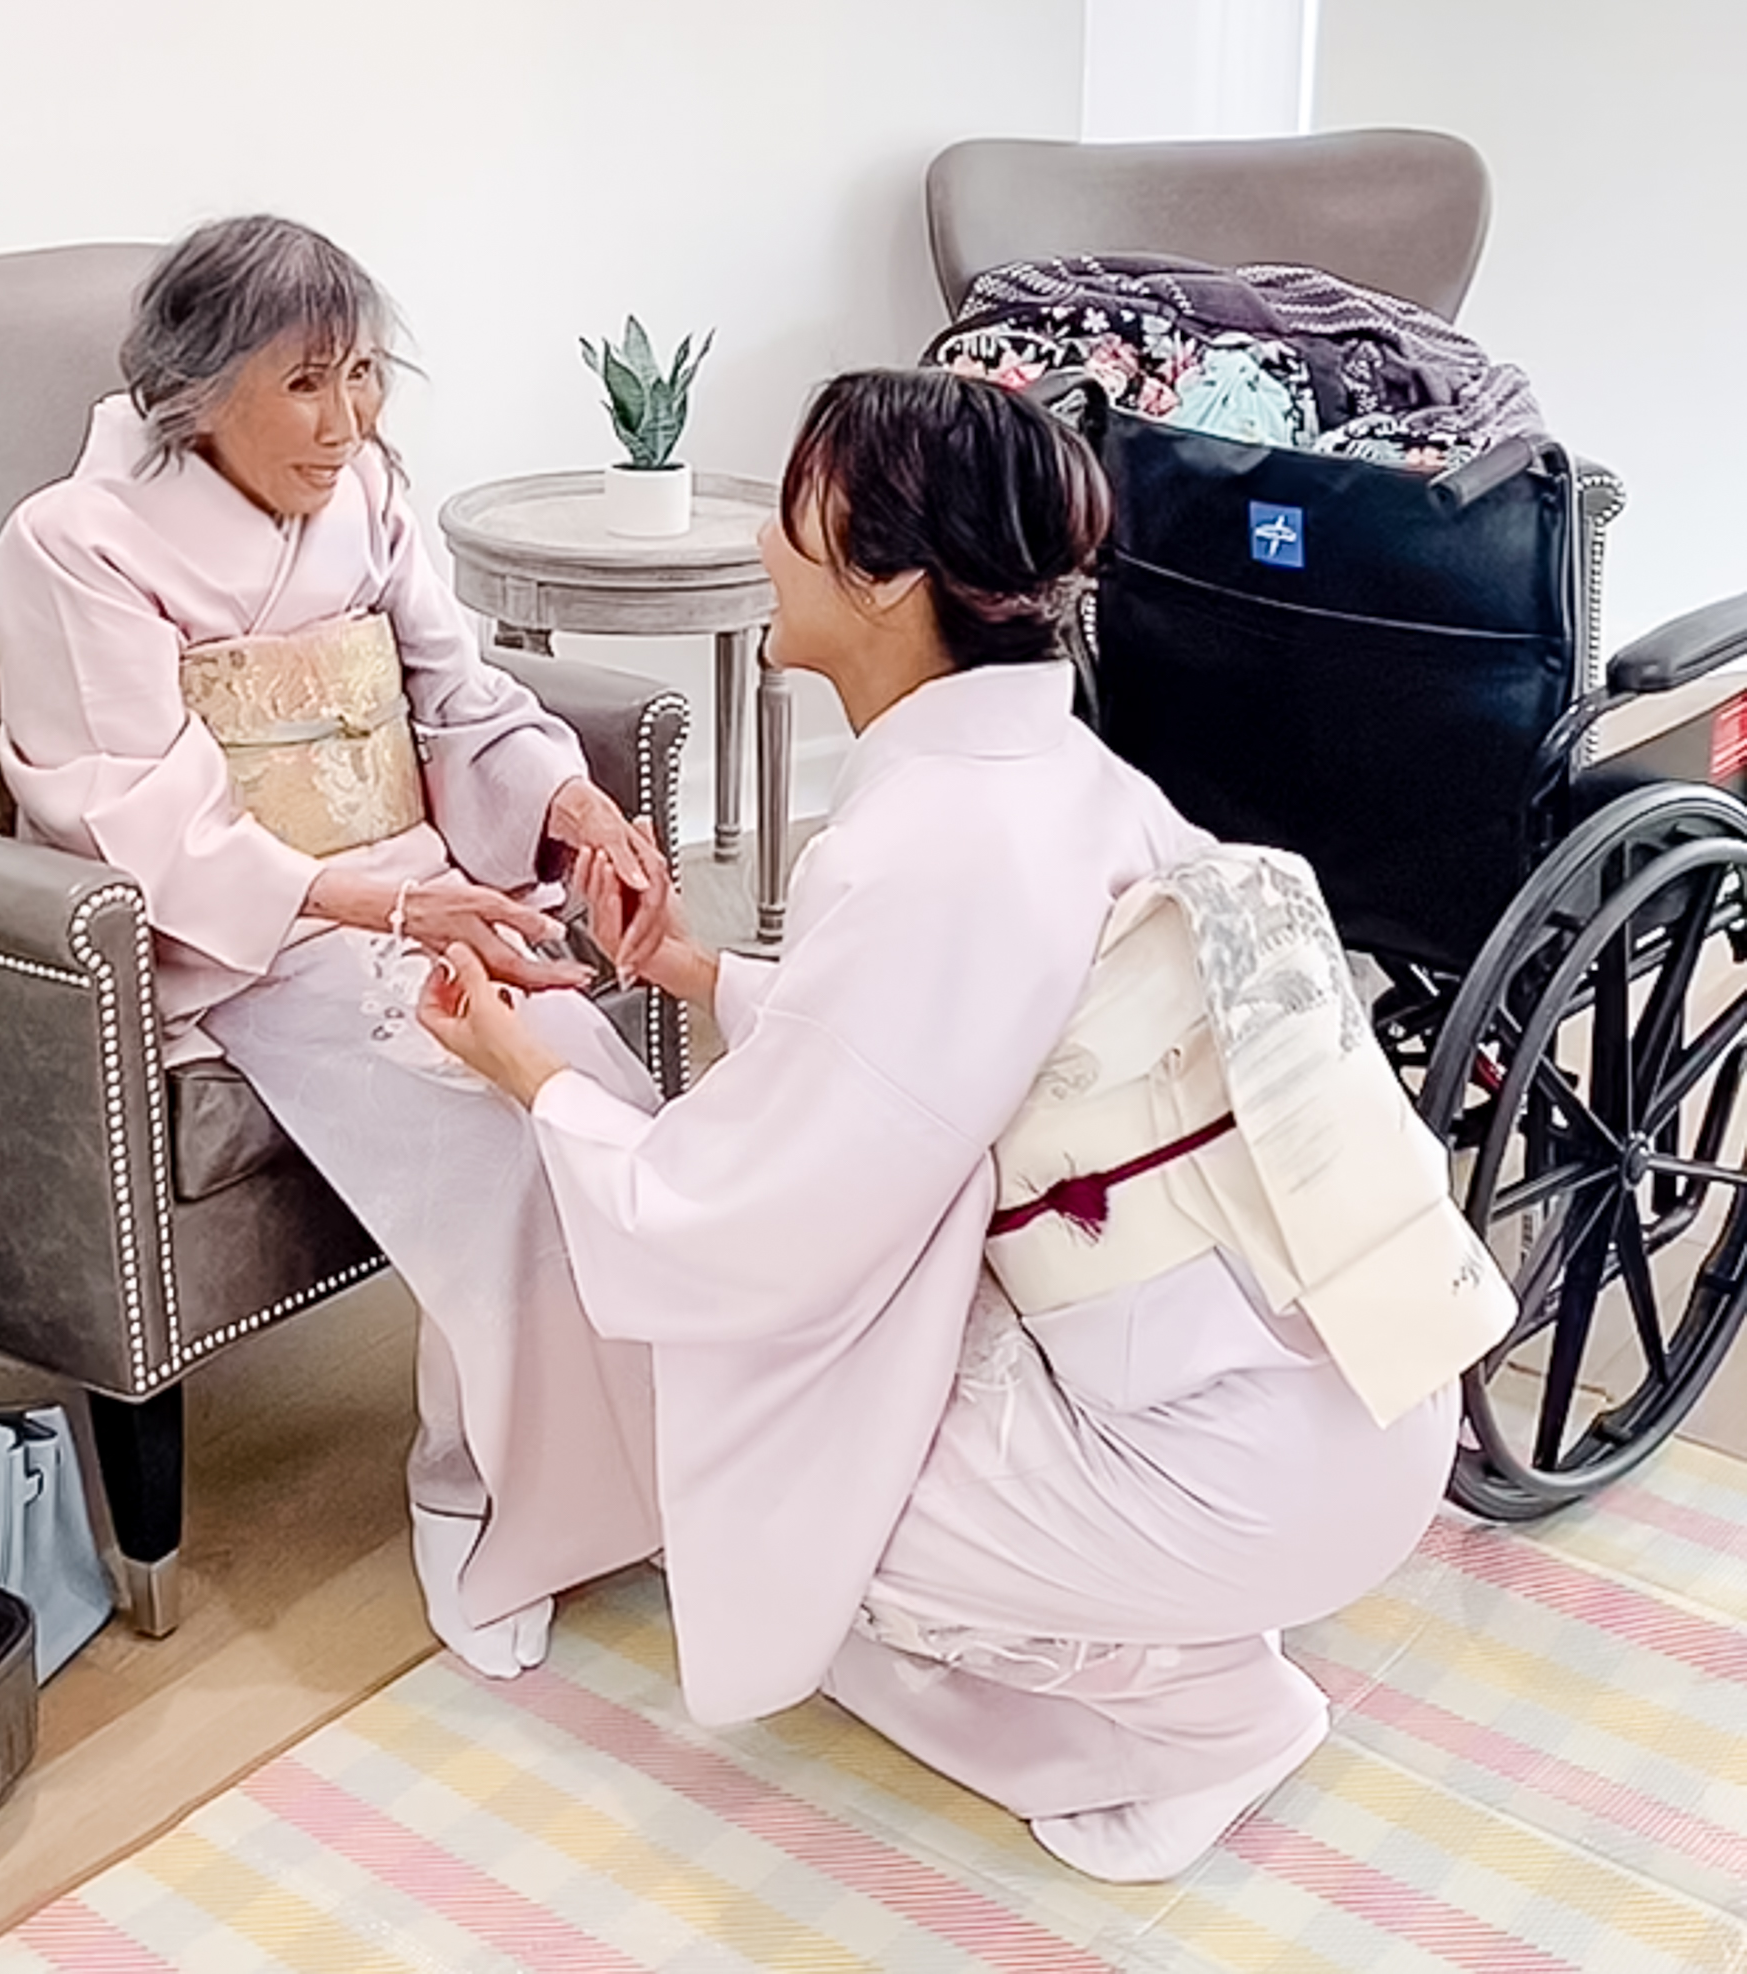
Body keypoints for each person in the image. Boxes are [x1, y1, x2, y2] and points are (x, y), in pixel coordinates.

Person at [419, 367, 1511, 1882]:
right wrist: (684, 965)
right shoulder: (1052, 772)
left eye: (796, 512)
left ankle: (1208, 1710)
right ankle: (1182, 1655)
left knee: (780, 1453)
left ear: (891, 578)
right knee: (829, 1384)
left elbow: (748, 1221)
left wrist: (539, 1074)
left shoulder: (938, 838)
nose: (766, 542)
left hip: (1242, 1471)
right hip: (1347, 1385)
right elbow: (922, 1045)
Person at [0, 215, 673, 1679]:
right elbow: (140, 817)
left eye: (364, 376)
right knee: (491, 1134)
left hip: (413, 878)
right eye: (306, 384)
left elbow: (458, 695)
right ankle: (473, 1502)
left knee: (597, 1097)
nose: (346, 420)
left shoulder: (367, 494)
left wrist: (566, 798)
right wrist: (389, 909)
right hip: (243, 941)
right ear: (193, 385)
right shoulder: (73, 545)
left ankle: (648, 1467)